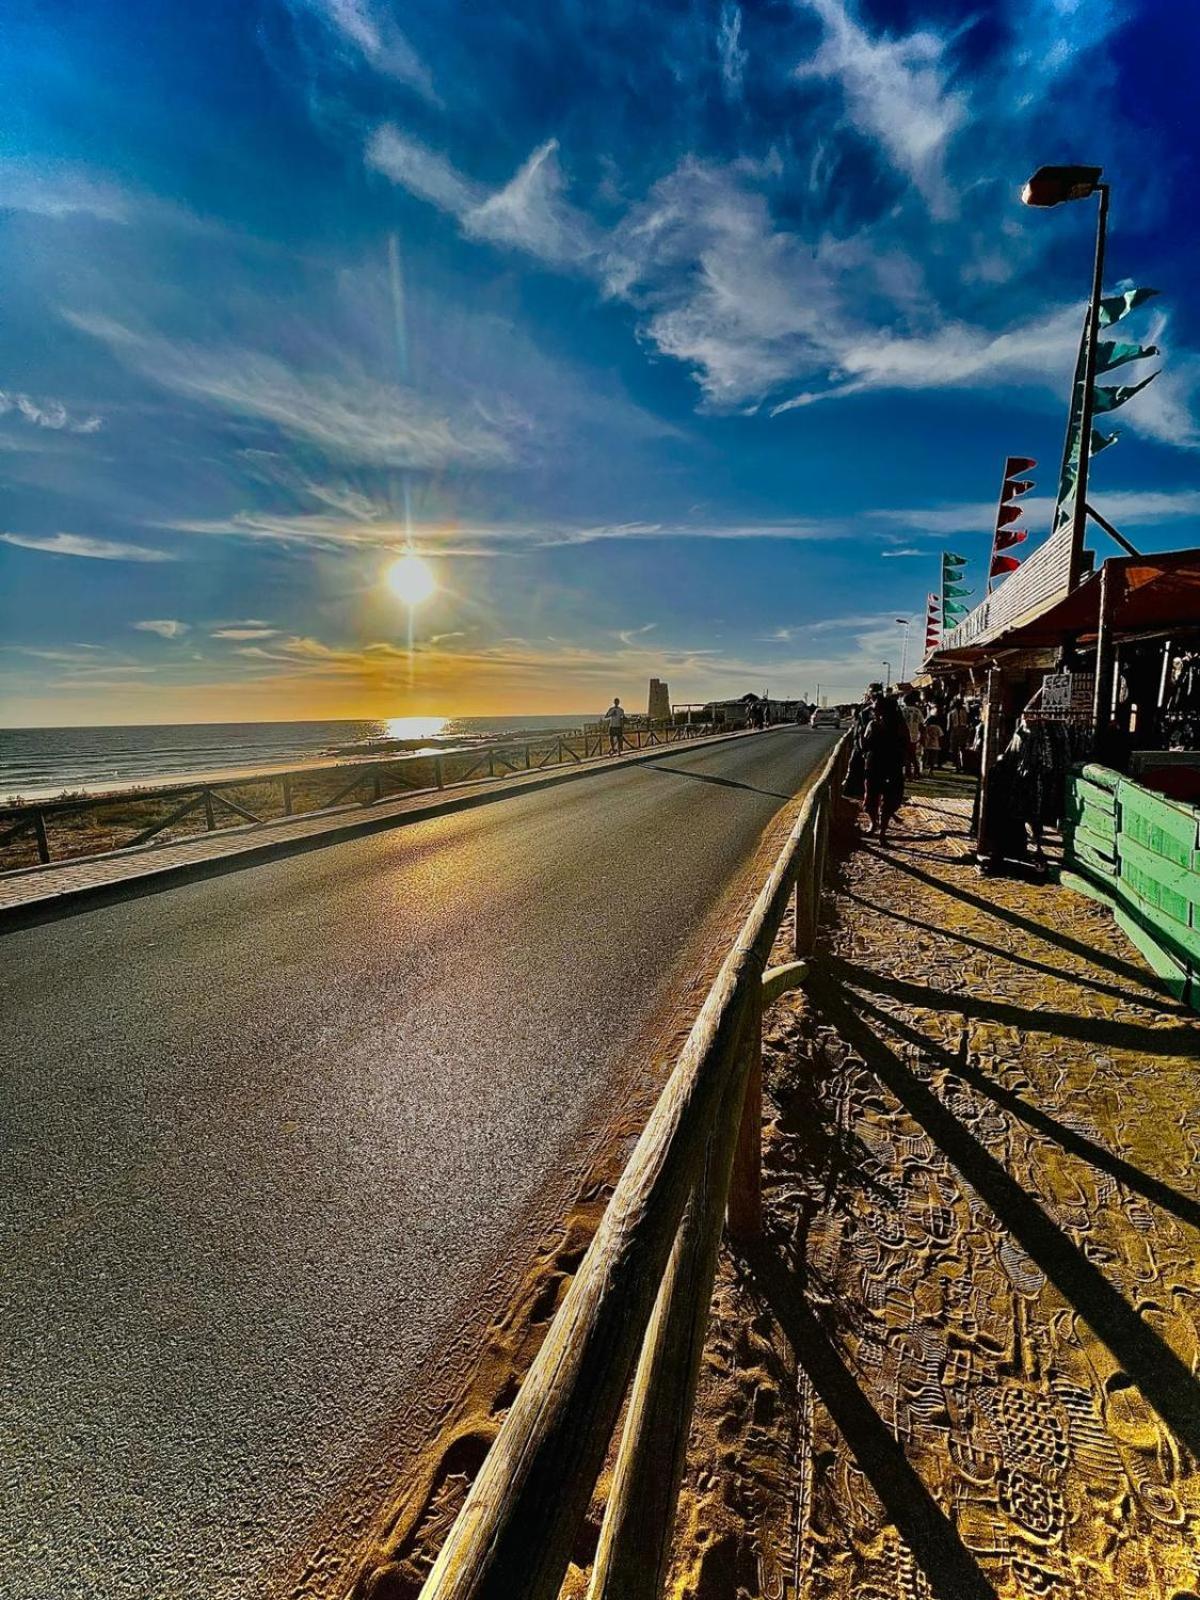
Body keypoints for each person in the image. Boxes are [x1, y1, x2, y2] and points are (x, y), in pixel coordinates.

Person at [862, 694, 906, 843]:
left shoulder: (877, 725)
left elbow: (864, 745)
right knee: (878, 798)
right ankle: (878, 828)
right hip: (883, 765)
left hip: (884, 764)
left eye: (875, 708)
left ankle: (879, 829)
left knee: (881, 798)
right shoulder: (878, 724)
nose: (873, 711)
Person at [900, 691, 923, 779]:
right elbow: (921, 724)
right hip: (915, 734)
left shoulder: (903, 710)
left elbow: (900, 723)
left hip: (905, 735)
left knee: (906, 755)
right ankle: (916, 771)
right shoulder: (918, 711)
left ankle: (908, 772)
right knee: (912, 754)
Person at [946, 698, 971, 772]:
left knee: (955, 749)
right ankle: (963, 765)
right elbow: (968, 721)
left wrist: (949, 734)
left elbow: (948, 726)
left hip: (955, 730)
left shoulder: (951, 713)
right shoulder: (965, 712)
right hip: (964, 730)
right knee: (962, 749)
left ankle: (957, 766)